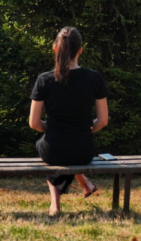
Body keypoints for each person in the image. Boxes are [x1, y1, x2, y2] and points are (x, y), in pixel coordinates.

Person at [29, 27, 109, 216]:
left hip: (54, 148)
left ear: (55, 48)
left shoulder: (44, 79)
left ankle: (55, 205)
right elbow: (103, 120)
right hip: (83, 149)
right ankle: (85, 184)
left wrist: (52, 130)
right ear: (80, 50)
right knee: (65, 148)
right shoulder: (94, 78)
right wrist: (85, 129)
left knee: (49, 146)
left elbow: (33, 123)